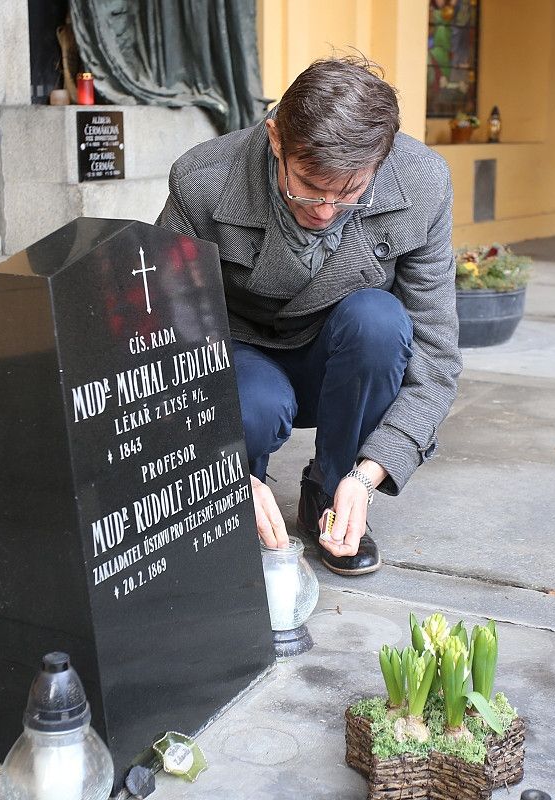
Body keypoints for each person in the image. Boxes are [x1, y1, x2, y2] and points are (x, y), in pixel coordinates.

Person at [157, 56, 460, 576]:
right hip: (238, 354)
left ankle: (330, 490)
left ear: (382, 158)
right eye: (307, 185)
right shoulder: (203, 179)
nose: (324, 210)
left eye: (348, 193)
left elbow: (434, 357)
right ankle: (232, 501)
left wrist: (367, 475)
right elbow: (166, 335)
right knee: (255, 404)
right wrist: (218, 466)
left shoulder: (423, 183)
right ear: (276, 138)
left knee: (379, 321)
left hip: (344, 358)